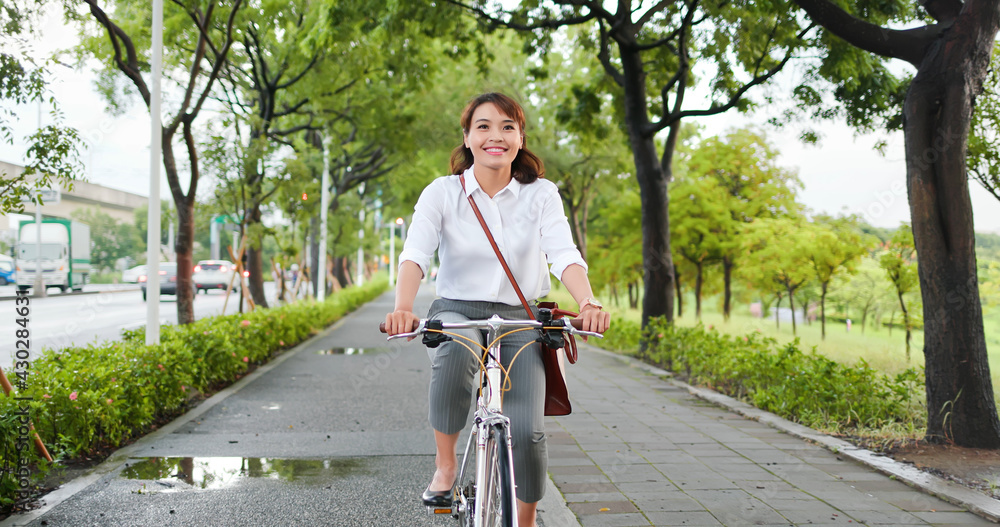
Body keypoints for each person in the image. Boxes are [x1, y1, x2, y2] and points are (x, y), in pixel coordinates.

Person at [384, 92, 611, 527]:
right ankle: (447, 464)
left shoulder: (541, 194)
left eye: (508, 127)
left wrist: (588, 301)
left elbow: (564, 253)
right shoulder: (443, 193)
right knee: (453, 354)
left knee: (527, 431)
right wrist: (402, 307)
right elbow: (415, 254)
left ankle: (524, 520)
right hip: (458, 308)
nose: (496, 136)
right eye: (484, 126)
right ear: (467, 138)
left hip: (520, 315)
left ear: (520, 137)